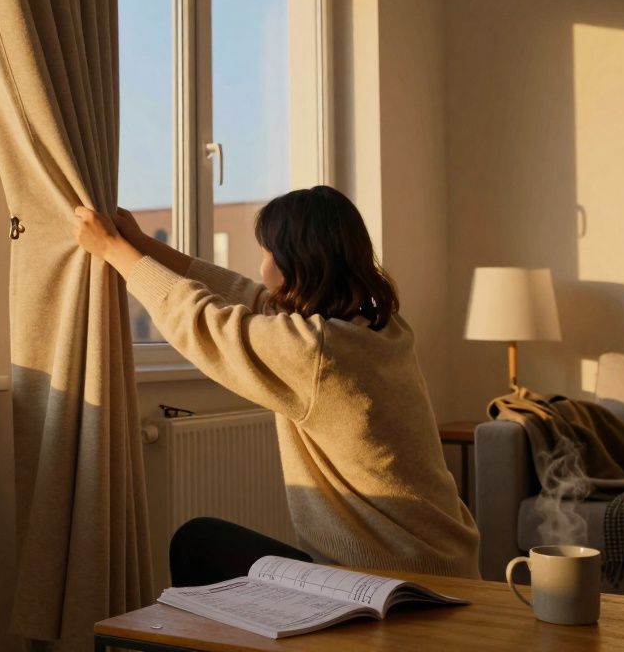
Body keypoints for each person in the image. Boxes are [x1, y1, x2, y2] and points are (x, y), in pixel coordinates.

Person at [71, 186, 479, 585]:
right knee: (203, 541)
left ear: (294, 262)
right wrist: (143, 244)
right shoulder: (380, 328)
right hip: (445, 564)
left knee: (198, 546)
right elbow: (245, 295)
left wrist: (113, 251)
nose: (261, 266)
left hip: (385, 582)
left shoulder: (317, 353)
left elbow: (206, 322)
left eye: (266, 253)